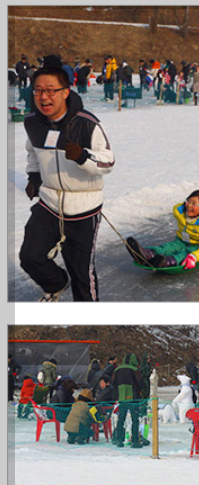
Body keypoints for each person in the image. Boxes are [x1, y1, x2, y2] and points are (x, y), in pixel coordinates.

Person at [20, 55, 114, 302]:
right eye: (38, 90)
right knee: (30, 256)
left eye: (50, 90)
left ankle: (88, 322)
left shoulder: (87, 124)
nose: (43, 97)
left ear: (65, 91)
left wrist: (83, 156)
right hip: (49, 203)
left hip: (84, 207)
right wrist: (34, 177)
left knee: (81, 271)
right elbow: (32, 153)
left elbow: (108, 161)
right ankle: (56, 283)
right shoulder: (33, 123)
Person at [124, 190, 199, 269]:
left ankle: (167, 262)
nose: (189, 205)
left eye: (194, 204)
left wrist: (194, 257)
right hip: (182, 240)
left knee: (184, 254)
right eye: (188, 201)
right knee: (168, 247)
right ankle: (147, 254)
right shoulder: (182, 213)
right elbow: (177, 209)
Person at [112, 352, 148, 449]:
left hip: (122, 398)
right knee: (135, 420)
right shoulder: (135, 370)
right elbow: (140, 384)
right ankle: (135, 441)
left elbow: (113, 383)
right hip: (133, 398)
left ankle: (119, 440)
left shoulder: (117, 370)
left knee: (121, 419)